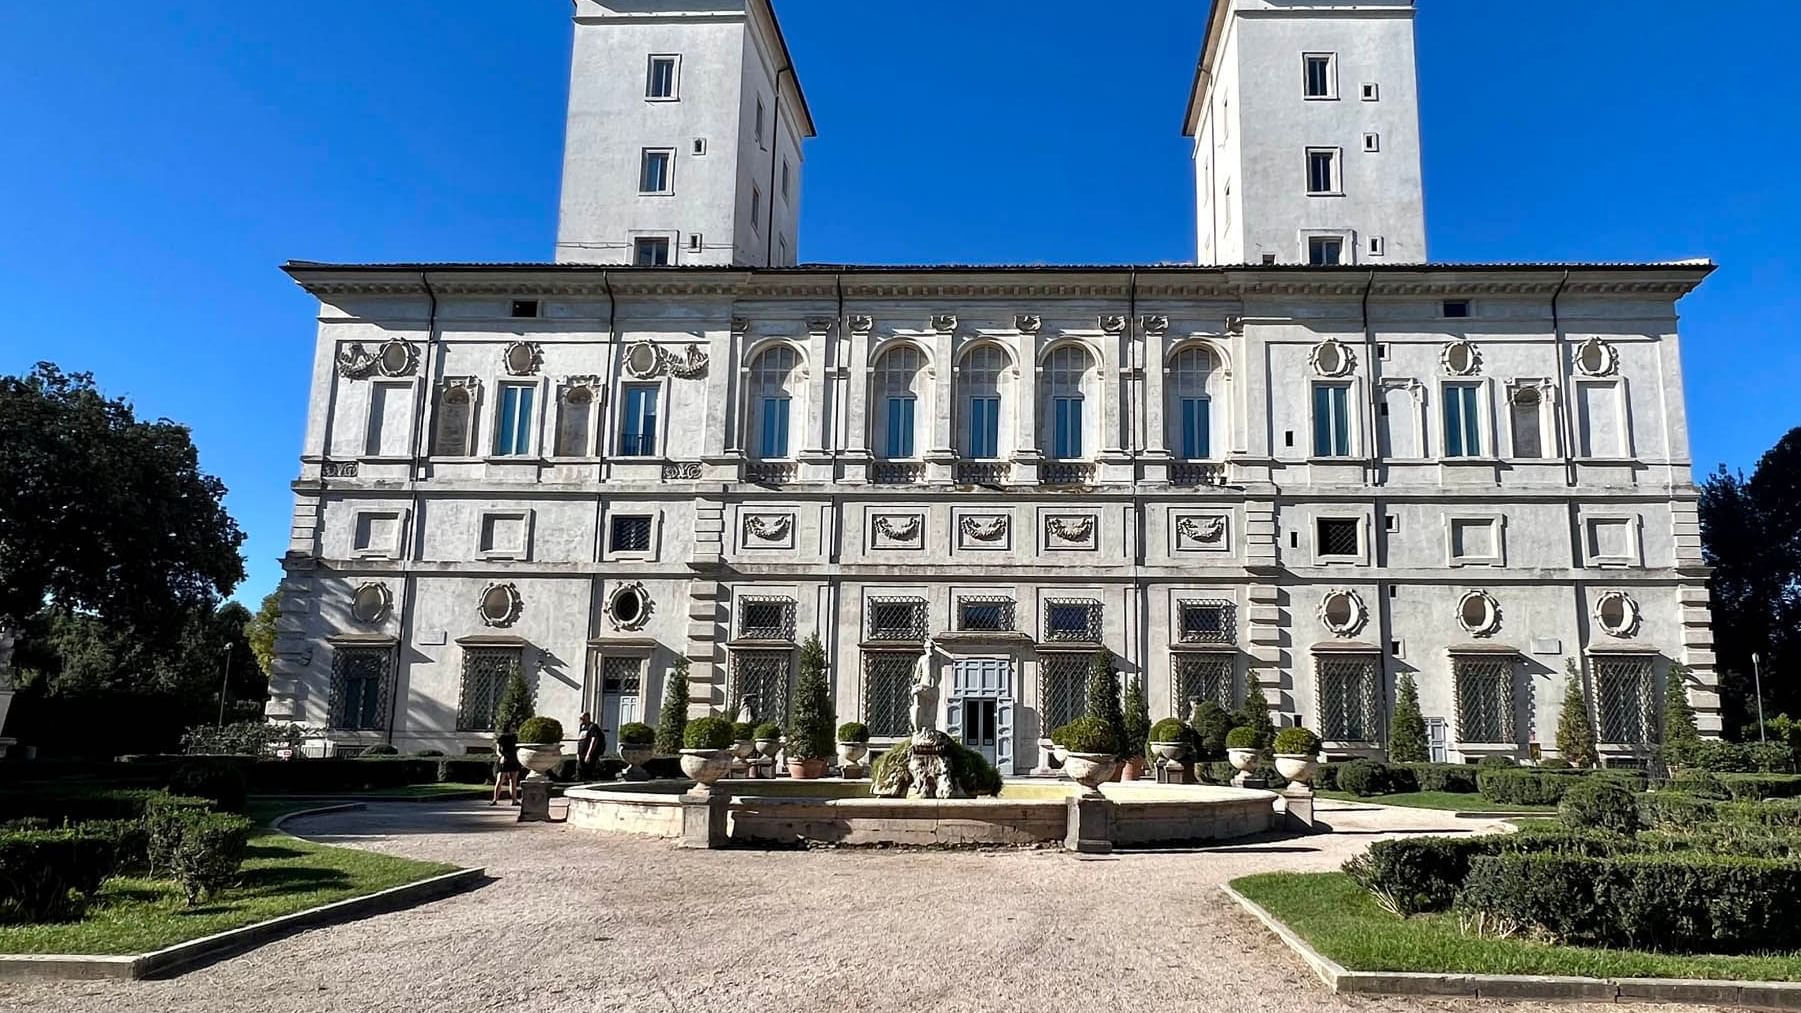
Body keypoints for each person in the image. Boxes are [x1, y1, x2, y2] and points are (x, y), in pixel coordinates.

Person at [492, 729, 523, 806]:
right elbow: (498, 750)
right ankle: (495, 799)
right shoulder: (502, 738)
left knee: (513, 781)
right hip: (505, 759)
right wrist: (502, 756)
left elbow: (519, 749)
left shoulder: (516, 738)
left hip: (513, 759)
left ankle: (514, 800)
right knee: (500, 779)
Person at [576, 712, 606, 782]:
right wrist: (578, 753)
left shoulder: (593, 727)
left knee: (588, 774)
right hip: (581, 754)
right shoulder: (582, 727)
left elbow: (593, 741)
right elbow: (579, 740)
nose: (580, 720)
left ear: (587, 718)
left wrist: (588, 754)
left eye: (582, 718)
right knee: (580, 772)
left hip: (589, 755)